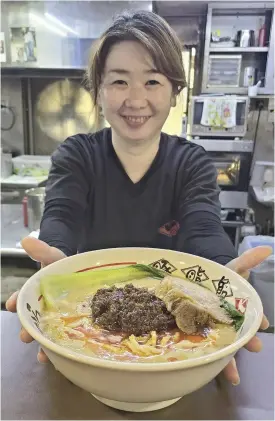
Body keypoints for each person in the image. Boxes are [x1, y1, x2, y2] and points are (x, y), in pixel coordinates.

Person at [6, 10, 271, 386]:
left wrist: (224, 278)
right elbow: (60, 218)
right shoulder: (77, 155)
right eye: (118, 81)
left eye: (152, 81)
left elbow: (203, 228)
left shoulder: (190, 162)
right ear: (98, 90)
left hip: (177, 364)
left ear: (174, 91)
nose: (135, 99)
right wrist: (50, 274)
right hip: (88, 349)